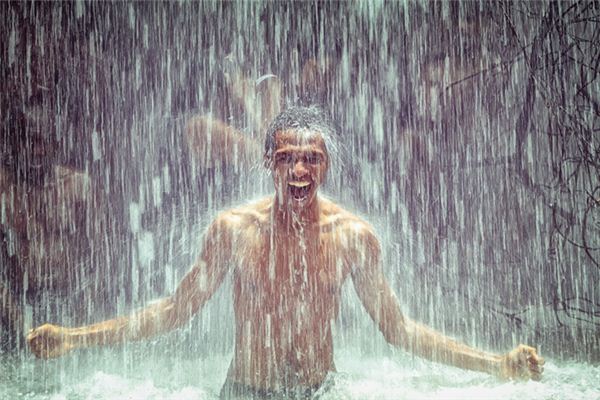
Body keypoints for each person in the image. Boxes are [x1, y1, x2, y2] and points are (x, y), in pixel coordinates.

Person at [27, 106, 544, 399]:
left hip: (323, 394)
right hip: (246, 393)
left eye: (312, 159)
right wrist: (74, 338)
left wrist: (497, 365)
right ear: (268, 165)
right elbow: (171, 311)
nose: (300, 171)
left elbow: (401, 330)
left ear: (326, 167)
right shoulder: (233, 230)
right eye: (287, 158)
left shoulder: (353, 237)